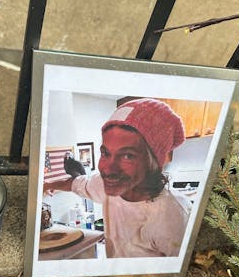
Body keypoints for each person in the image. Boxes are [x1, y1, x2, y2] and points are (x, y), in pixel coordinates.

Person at [43, 98, 192, 258]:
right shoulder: (104, 184)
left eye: (128, 155)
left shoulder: (173, 216)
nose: (108, 169)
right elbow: (78, 184)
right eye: (106, 153)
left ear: (154, 163)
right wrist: (49, 185)